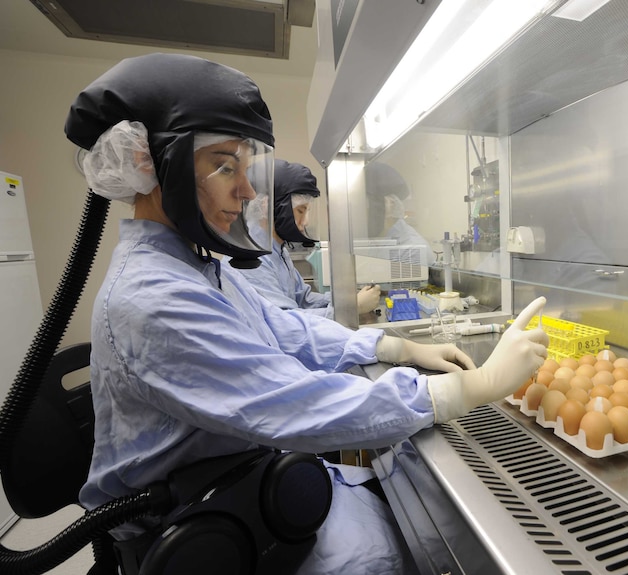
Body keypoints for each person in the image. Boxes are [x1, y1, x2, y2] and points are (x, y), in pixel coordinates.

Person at [65, 53, 549, 575]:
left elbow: (284, 328)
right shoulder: (152, 297)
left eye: (246, 168)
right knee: (399, 555)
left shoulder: (194, 266)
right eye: (225, 165)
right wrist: (470, 389)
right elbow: (290, 401)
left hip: (245, 487)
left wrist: (393, 347)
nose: (248, 191)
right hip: (206, 532)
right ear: (149, 162)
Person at [234, 160, 380, 317]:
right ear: (267, 207)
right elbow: (286, 323)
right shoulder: (251, 258)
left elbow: (304, 298)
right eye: (300, 211)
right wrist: (352, 309)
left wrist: (347, 300)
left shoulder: (276, 249)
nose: (306, 222)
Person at [365, 162, 434, 265]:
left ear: (390, 204)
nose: (364, 211)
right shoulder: (381, 241)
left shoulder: (410, 249)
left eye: (367, 204)